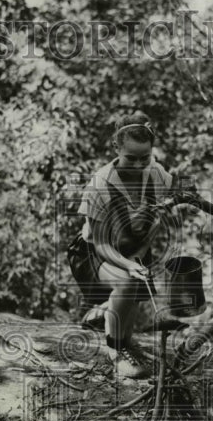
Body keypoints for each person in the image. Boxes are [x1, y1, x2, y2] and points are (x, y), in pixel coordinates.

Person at [68, 113, 174, 379]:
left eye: (145, 157)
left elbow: (157, 219)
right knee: (127, 283)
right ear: (116, 149)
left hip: (134, 247)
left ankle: (123, 337)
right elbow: (101, 243)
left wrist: (139, 255)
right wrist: (128, 264)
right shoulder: (101, 184)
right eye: (131, 158)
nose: (138, 165)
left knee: (137, 290)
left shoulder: (158, 175)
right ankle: (115, 351)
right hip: (94, 253)